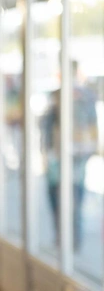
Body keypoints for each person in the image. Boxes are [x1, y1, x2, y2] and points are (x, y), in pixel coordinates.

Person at [41, 61, 98, 250]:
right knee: (60, 196)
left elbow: (92, 126)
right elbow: (46, 126)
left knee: (73, 197)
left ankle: (71, 239)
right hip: (61, 156)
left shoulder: (84, 96)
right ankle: (65, 238)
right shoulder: (57, 96)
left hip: (75, 156)